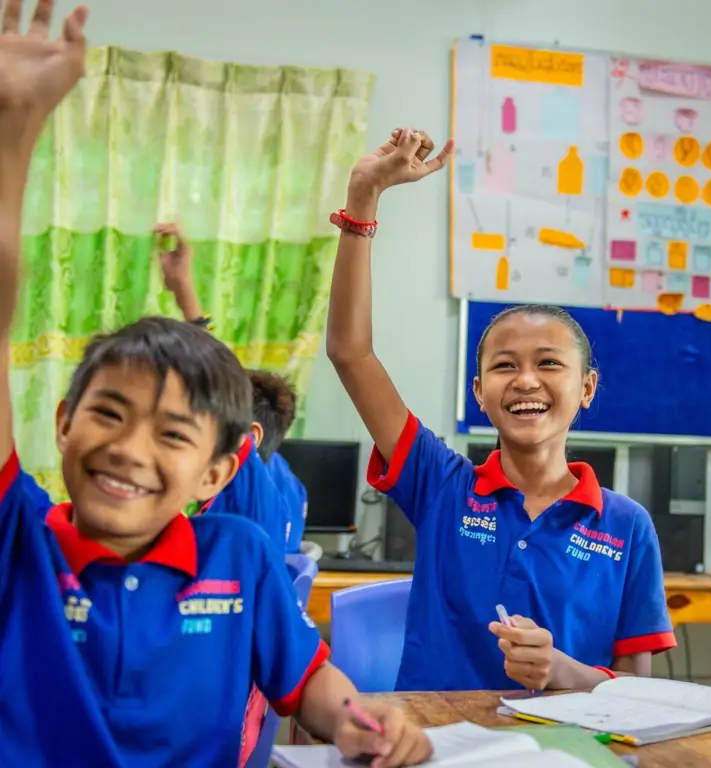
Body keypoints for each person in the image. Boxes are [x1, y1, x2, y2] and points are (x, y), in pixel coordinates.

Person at [0, 3, 430, 765]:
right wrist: (14, 131)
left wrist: (363, 719)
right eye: (109, 413)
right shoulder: (21, 539)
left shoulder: (238, 554)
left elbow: (311, 684)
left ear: (220, 469)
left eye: (172, 433)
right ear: (62, 420)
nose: (132, 448)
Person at [326, 127, 675, 692]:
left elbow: (638, 692)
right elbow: (350, 352)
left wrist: (561, 670)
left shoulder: (626, 526)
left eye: (550, 364)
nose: (526, 380)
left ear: (587, 388)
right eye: (505, 365)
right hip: (435, 744)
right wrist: (364, 198)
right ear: (479, 391)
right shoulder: (441, 484)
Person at [155, 222, 307, 554]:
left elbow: (216, 377)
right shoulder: (286, 482)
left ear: (250, 437)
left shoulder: (244, 486)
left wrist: (185, 290)